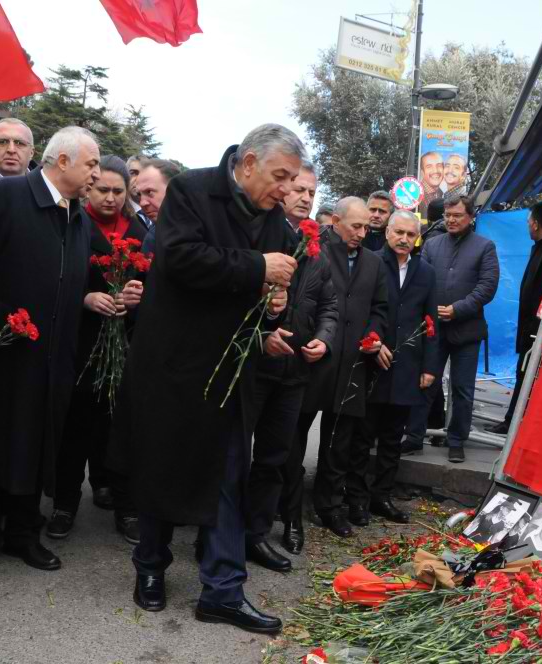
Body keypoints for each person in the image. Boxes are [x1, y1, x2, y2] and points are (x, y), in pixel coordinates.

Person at [113, 124, 304, 635]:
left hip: (229, 372)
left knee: (228, 475)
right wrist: (256, 267)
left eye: (291, 180)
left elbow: (266, 295)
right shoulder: (192, 192)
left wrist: (273, 306)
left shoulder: (276, 223)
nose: (286, 189)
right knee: (164, 466)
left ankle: (222, 591)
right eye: (279, 176)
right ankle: (150, 570)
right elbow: (179, 260)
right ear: (246, 164)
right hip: (173, 363)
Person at [0, 126, 102, 576]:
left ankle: (22, 533)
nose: (95, 173)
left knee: (36, 446)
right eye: (92, 163)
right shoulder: (5, 196)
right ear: (64, 161)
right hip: (0, 355)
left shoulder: (78, 215)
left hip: (53, 360)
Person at [245, 159, 337, 571]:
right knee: (232, 453)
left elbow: (330, 305)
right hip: (252, 366)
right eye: (298, 188)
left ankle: (255, 535)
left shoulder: (317, 250)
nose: (304, 197)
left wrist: (325, 338)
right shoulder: (256, 233)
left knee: (276, 457)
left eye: (311, 193)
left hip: (295, 372)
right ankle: (218, 532)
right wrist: (264, 325)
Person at [47, 156, 143, 542]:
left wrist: (137, 296)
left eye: (119, 191)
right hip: (83, 342)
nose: (111, 198)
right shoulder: (74, 223)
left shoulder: (140, 229)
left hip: (127, 343)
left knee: (120, 428)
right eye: (102, 189)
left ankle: (127, 506)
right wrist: (86, 298)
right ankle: (64, 504)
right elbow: (58, 279)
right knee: (76, 427)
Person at [291, 197, 389, 539]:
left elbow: (380, 307)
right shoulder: (314, 251)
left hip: (353, 364)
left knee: (339, 440)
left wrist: (374, 335)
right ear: (335, 221)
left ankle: (329, 506)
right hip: (315, 357)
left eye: (367, 228)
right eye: (356, 226)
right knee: (295, 432)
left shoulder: (374, 263)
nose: (362, 233)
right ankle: (286, 505)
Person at [346, 211, 438, 526]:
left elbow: (431, 323)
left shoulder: (425, 271)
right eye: (398, 232)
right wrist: (372, 342)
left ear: (417, 238)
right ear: (387, 232)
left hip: (407, 366)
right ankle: (355, 498)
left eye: (410, 235)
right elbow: (357, 309)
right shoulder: (370, 262)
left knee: (391, 439)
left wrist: (429, 367)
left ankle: (381, 496)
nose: (403, 239)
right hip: (371, 361)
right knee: (362, 436)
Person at [403, 195, 499, 462]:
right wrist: (432, 310)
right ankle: (413, 437)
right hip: (435, 329)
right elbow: (421, 280)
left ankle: (457, 440)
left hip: (467, 330)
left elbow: (487, 287)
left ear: (470, 217)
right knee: (425, 383)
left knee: (463, 389)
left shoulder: (485, 247)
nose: (451, 220)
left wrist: (458, 308)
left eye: (457, 215)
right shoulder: (432, 245)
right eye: (447, 215)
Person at [488, 203, 542, 435]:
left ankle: (520, 422)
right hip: (531, 324)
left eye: (528, 222)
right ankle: (515, 419)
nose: (528, 227)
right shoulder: (540, 246)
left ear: (535, 223)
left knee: (534, 373)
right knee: (524, 372)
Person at [135, 158, 181, 255]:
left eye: (149, 192)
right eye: (139, 194)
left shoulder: (210, 225)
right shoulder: (153, 238)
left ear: (174, 189)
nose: (142, 203)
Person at [417, 152, 444, 216]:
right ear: (422, 172)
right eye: (429, 167)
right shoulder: (416, 194)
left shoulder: (441, 193)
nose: (435, 171)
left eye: (439, 165)